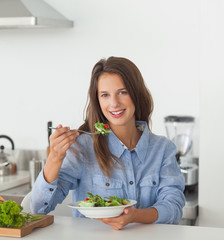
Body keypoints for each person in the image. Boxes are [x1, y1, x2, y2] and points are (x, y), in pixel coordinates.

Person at [30, 56, 185, 230]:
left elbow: (173, 207)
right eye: (105, 95)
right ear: (98, 101)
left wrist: (135, 216)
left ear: (136, 94)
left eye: (123, 92)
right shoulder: (82, 147)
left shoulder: (163, 149)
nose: (114, 103)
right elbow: (38, 208)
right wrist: (55, 157)